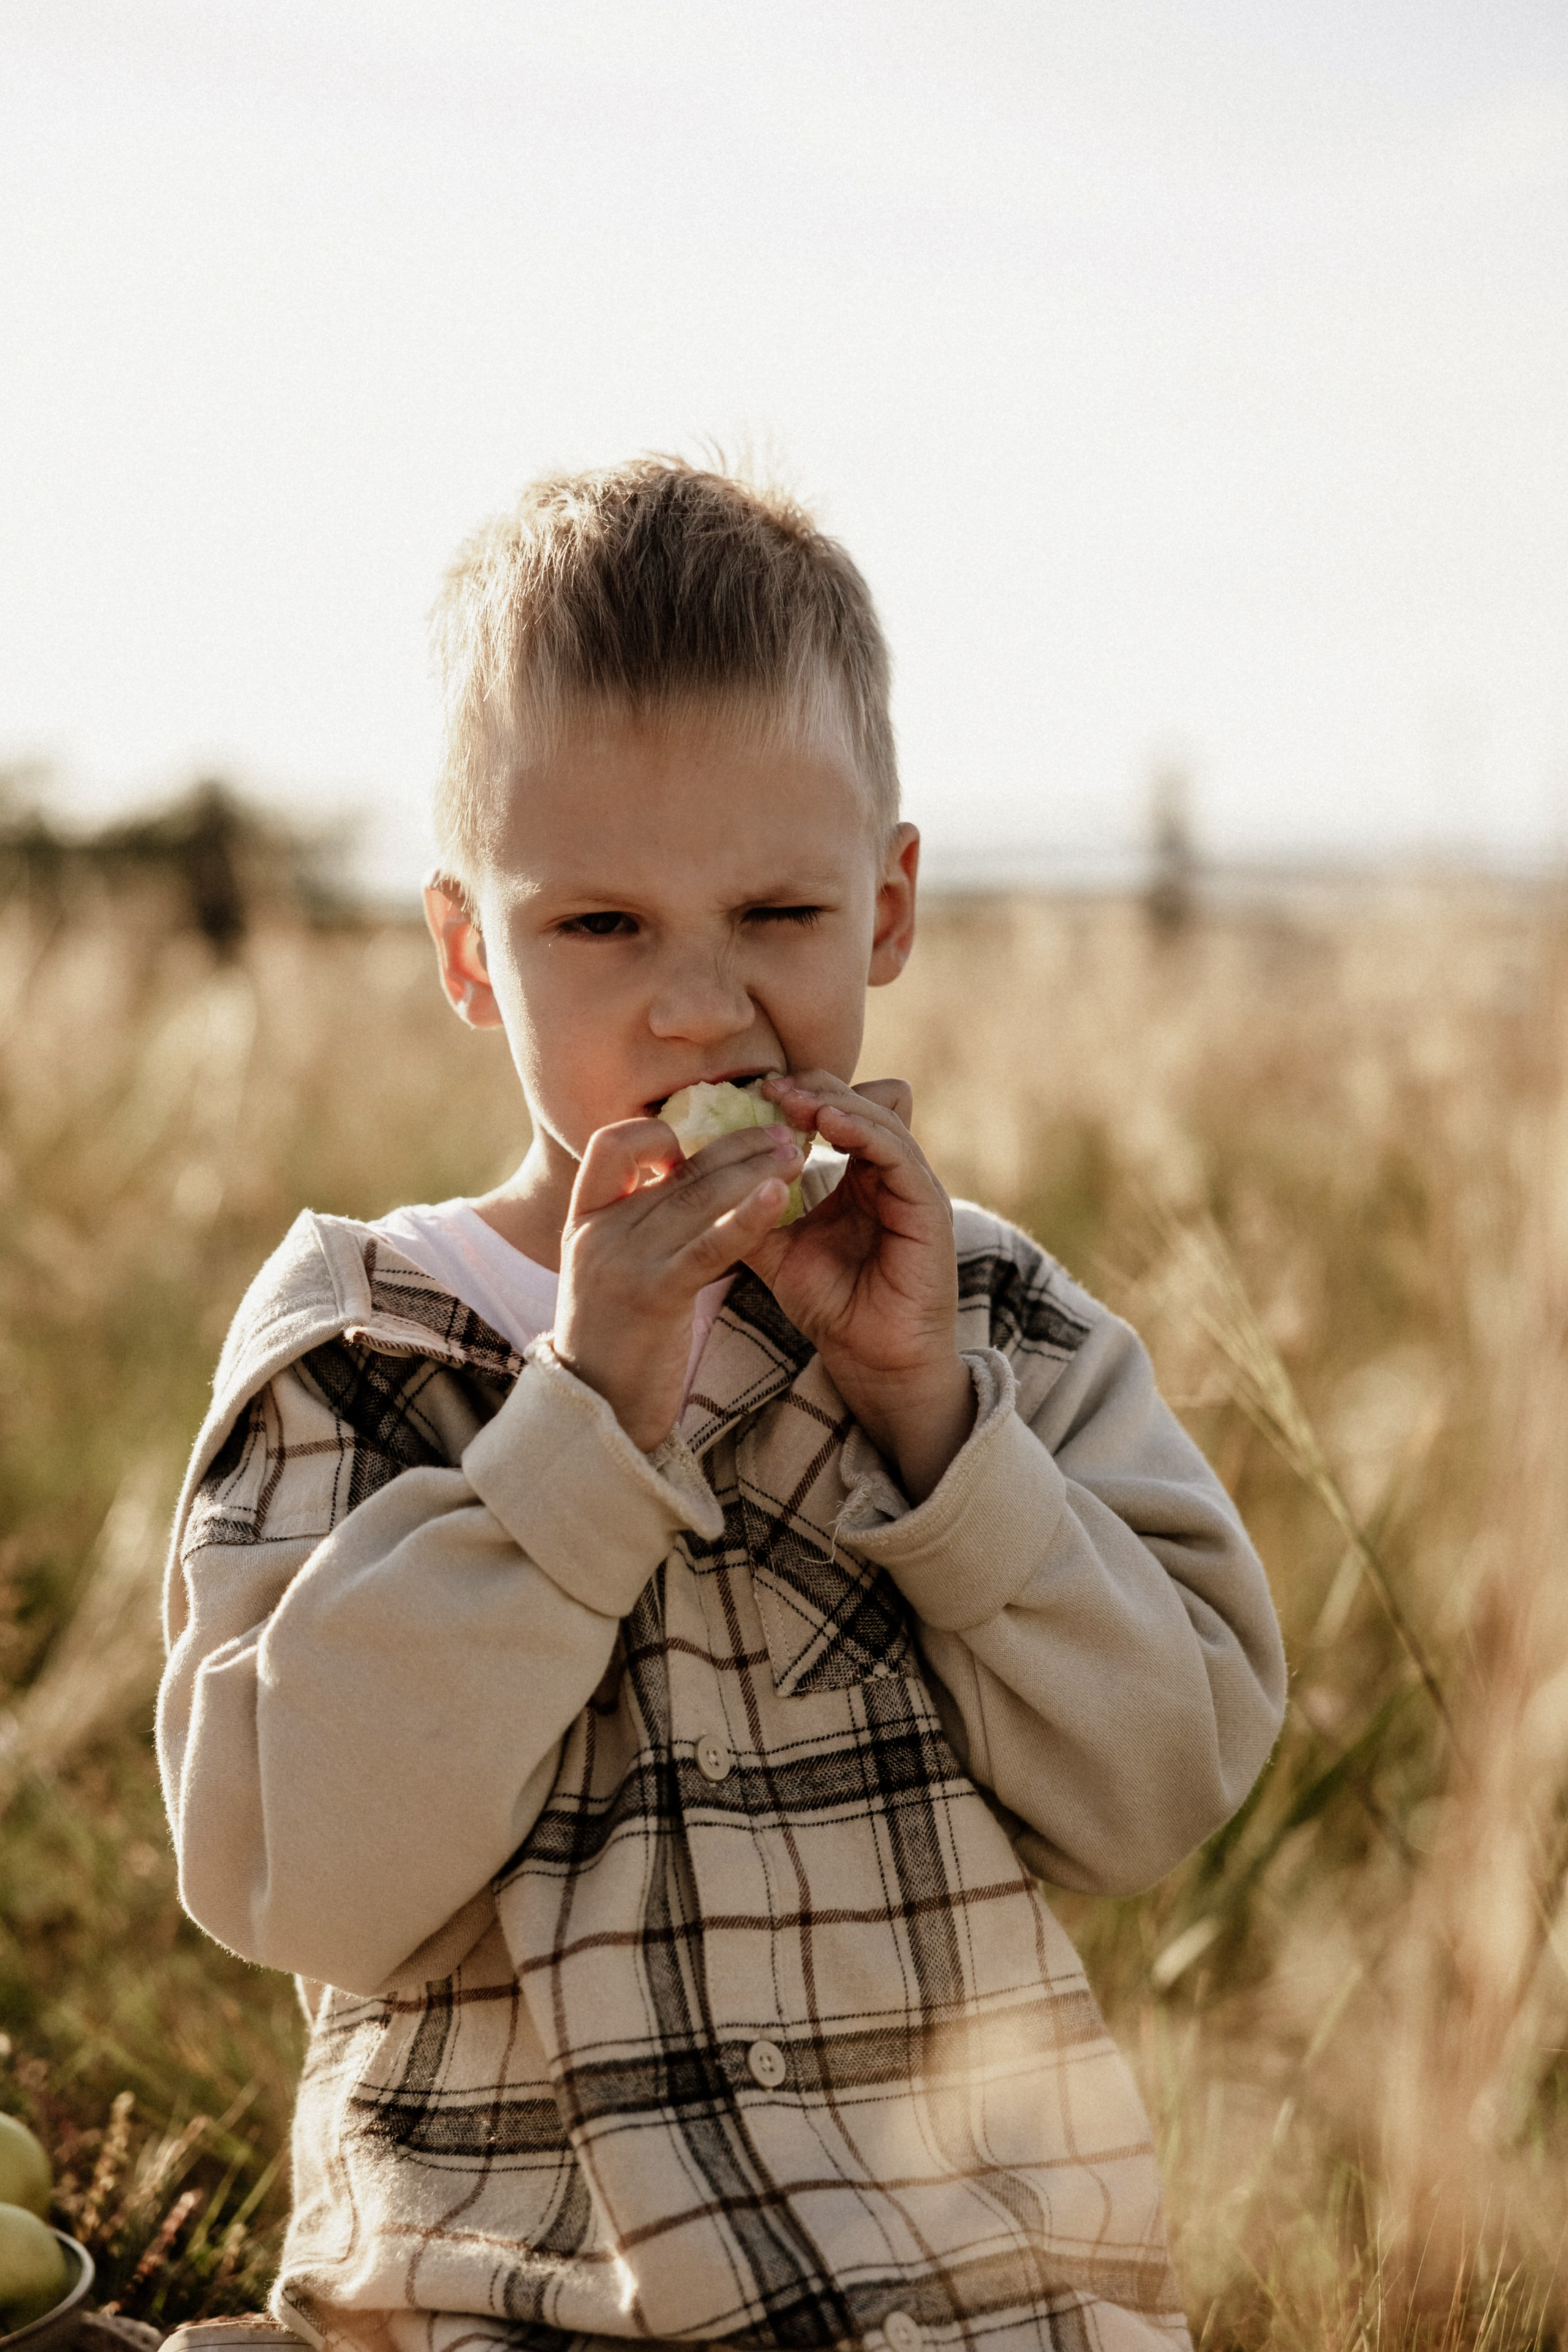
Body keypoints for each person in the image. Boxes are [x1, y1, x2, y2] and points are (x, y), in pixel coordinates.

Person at [157, 461, 1286, 2352]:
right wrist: (581, 1424)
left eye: (776, 910)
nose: (700, 1007)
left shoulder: (988, 1316)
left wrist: (935, 1417)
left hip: (983, 2298)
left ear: (890, 907)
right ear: (466, 954)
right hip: (498, 2301)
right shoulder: (361, 1345)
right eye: (598, 926)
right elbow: (293, 1876)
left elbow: (1162, 1785)